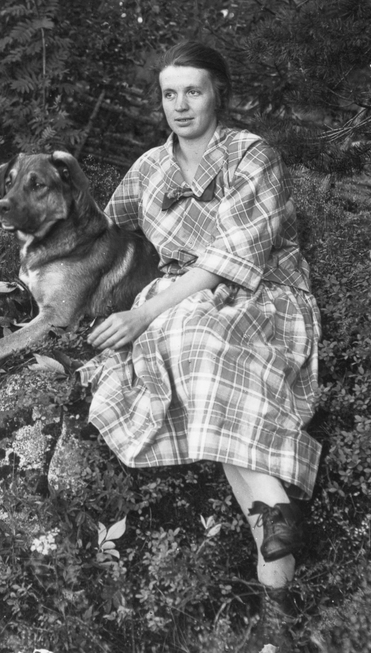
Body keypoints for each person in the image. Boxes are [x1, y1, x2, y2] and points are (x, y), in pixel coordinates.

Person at [81, 40, 322, 616]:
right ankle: (276, 530)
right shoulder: (149, 168)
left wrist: (142, 314)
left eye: (193, 91)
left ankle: (276, 586)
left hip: (261, 295)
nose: (181, 106)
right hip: (181, 305)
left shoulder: (251, 155)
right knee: (197, 340)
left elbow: (233, 259)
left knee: (198, 335)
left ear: (219, 95)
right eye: (170, 94)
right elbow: (101, 234)